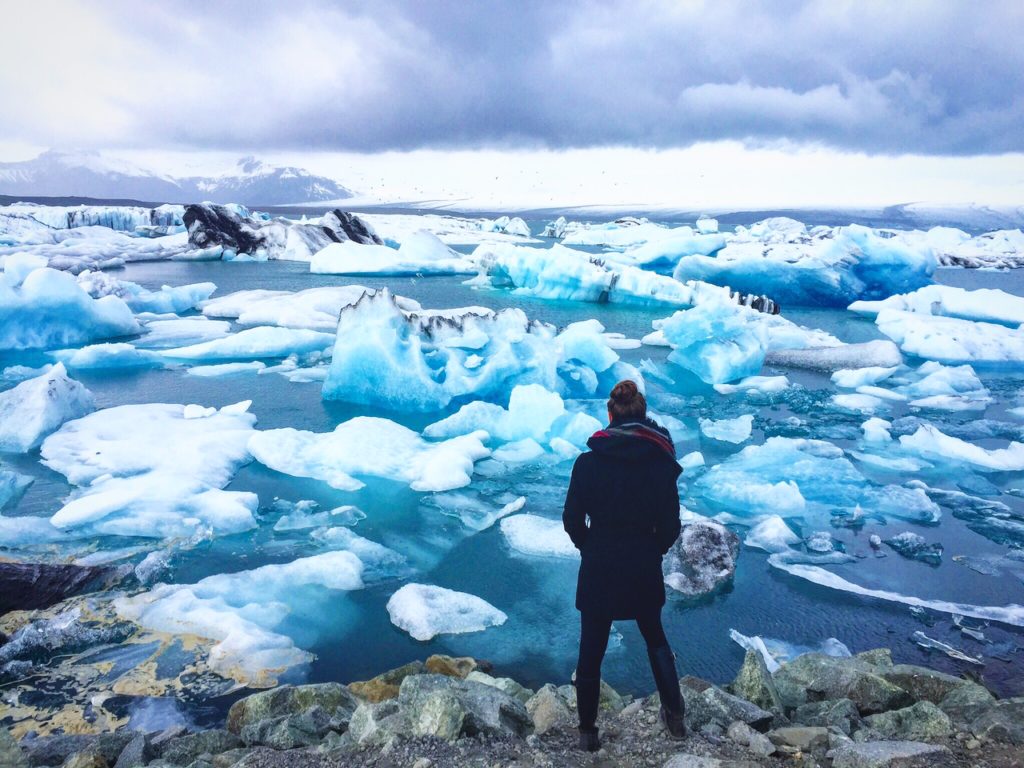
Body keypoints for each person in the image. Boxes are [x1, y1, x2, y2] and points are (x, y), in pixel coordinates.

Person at [562, 379, 685, 752]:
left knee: (591, 650)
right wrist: (653, 550)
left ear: (610, 415)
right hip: (642, 564)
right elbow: (671, 526)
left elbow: (571, 519)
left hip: (600, 564)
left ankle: (587, 733)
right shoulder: (661, 465)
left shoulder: (587, 463)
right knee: (655, 639)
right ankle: (675, 718)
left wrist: (590, 545)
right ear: (644, 417)